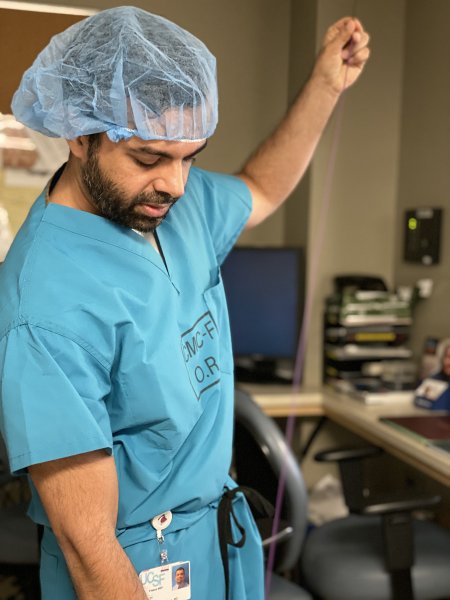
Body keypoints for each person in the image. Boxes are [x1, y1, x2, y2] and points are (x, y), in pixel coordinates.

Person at [0, 6, 369, 599]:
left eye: (190, 155)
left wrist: (326, 85)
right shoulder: (45, 304)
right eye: (149, 158)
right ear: (79, 134)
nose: (175, 181)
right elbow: (89, 549)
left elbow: (262, 187)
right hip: (134, 564)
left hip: (216, 538)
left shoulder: (172, 205)